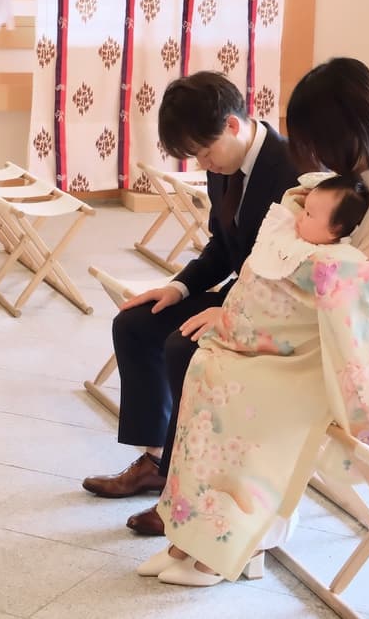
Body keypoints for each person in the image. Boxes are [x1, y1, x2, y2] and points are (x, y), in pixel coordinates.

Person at [138, 56, 369, 587]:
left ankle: (230, 542)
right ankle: (195, 535)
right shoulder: (360, 176)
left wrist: (258, 319)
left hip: (345, 356)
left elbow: (356, 303)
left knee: (228, 383)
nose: (318, 155)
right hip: (316, 333)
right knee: (206, 366)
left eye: (320, 142)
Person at [81, 71, 306, 537]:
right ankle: (158, 461)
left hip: (274, 303)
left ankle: (187, 490)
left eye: (204, 152)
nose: (203, 162)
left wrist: (231, 313)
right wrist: (178, 289)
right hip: (239, 290)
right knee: (138, 323)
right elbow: (222, 248)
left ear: (231, 125)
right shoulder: (223, 164)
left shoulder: (292, 170)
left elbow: (295, 272)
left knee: (184, 347)